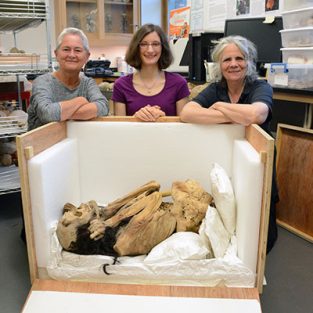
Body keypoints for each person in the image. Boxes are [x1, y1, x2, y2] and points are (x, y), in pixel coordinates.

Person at [180, 35, 278, 253]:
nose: (233, 64)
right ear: (219, 64)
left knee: (259, 217)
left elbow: (256, 114)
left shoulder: (260, 87)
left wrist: (218, 107)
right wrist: (233, 116)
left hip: (258, 160)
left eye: (239, 58)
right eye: (227, 60)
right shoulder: (215, 89)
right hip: (225, 157)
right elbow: (187, 112)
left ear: (249, 61)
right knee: (230, 210)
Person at [28, 27, 109, 131]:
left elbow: (103, 107)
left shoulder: (88, 83)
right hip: (42, 145)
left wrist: (62, 113)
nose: (71, 55)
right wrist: (80, 101)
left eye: (78, 50)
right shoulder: (42, 82)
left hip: (75, 142)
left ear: (87, 56)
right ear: (56, 54)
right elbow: (47, 114)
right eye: (66, 49)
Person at [112, 23, 190, 122]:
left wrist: (164, 119)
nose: (150, 50)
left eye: (155, 44)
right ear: (136, 48)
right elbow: (120, 128)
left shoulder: (179, 83)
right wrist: (135, 118)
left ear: (163, 47)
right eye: (144, 44)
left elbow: (184, 127)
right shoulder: (121, 85)